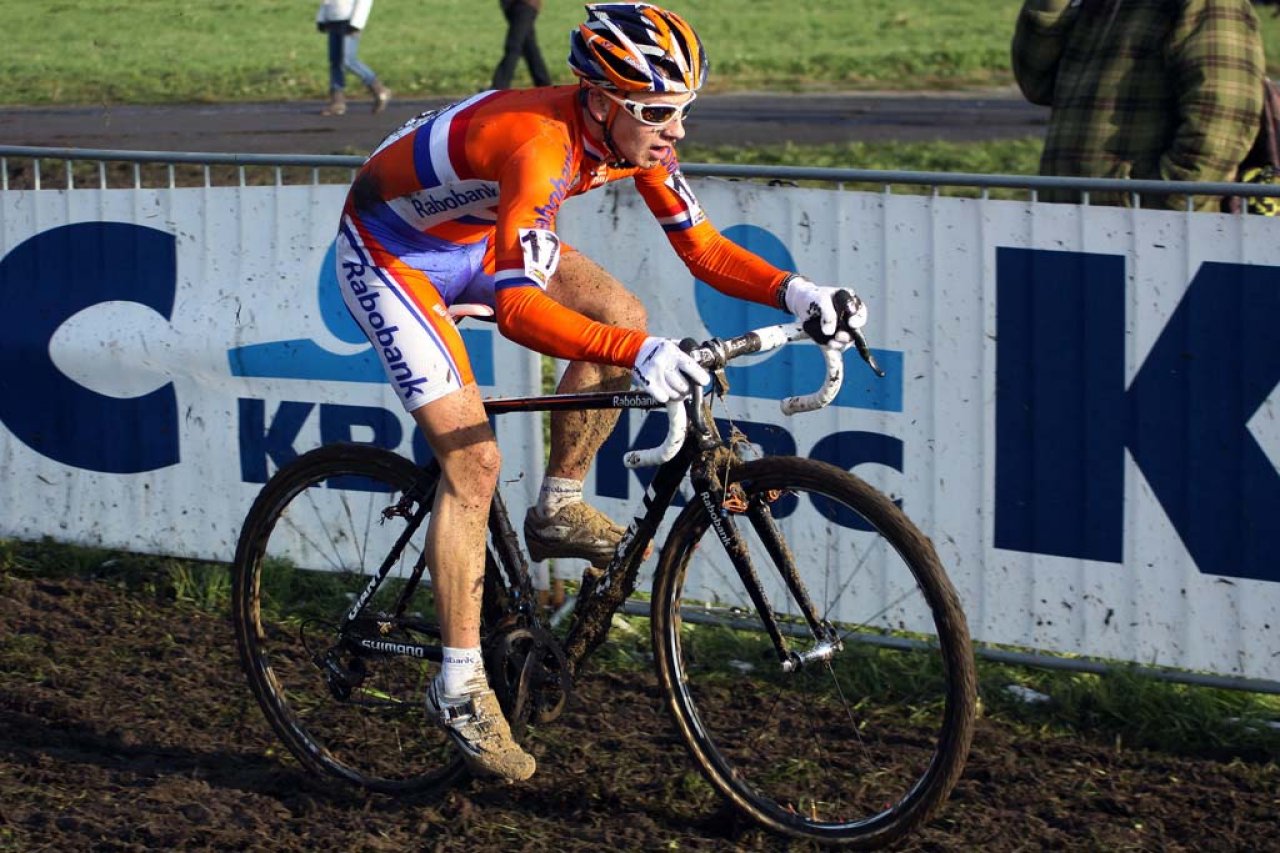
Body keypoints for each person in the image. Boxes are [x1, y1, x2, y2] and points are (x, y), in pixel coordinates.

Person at [333, 2, 867, 781]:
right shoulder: (542, 145)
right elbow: (517, 308)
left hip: (473, 234)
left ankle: (557, 501)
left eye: (684, 111)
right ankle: (457, 683)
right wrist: (639, 354)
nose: (675, 130)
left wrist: (798, 293)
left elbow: (706, 249)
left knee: (621, 312)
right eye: (657, 113)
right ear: (602, 100)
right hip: (391, 256)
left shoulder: (630, 134)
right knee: (473, 463)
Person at [1011, 0, 1265, 210]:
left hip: (1151, 234)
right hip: (1066, 224)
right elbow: (1038, 82)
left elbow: (1222, 118)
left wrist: (1160, 205)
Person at [316, 0, 392, 116]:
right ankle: (337, 102)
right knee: (335, 61)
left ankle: (379, 89)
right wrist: (321, 18)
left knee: (348, 61)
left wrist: (357, 23)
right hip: (333, 20)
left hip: (349, 21)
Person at [492, 0, 553, 89]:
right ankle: (544, 84)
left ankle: (498, 86)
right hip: (515, 7)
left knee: (513, 46)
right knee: (530, 48)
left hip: (524, 5)